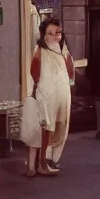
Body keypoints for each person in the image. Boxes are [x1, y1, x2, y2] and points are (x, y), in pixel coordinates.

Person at [28, 18, 75, 177]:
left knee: (61, 126)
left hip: (63, 95)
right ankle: (42, 162)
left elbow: (70, 69)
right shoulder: (39, 50)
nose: (55, 37)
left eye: (58, 33)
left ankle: (52, 159)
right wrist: (40, 87)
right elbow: (34, 72)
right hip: (46, 95)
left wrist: (70, 84)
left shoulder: (63, 49)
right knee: (47, 126)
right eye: (51, 33)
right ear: (43, 35)